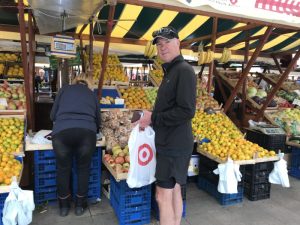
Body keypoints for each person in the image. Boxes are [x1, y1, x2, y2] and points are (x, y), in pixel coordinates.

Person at [138, 26, 196, 225]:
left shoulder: (184, 71)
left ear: (178, 43)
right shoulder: (171, 71)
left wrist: (153, 118)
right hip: (172, 142)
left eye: (167, 42)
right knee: (174, 191)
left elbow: (187, 111)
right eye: (159, 44)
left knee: (162, 196)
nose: (162, 47)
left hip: (173, 145)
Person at [50, 73, 100, 217]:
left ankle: (64, 207)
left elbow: (52, 116)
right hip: (86, 134)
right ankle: (79, 206)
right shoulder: (92, 95)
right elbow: (99, 121)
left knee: (63, 169)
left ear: (75, 81)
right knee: (83, 169)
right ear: (89, 83)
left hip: (62, 134)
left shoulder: (64, 89)